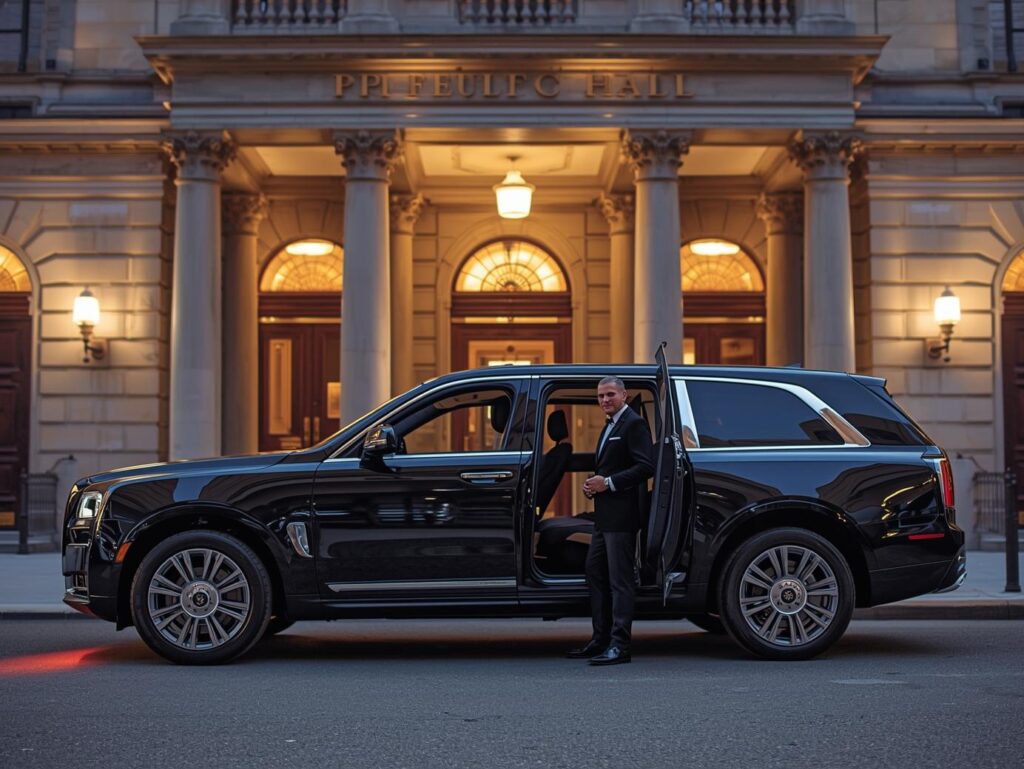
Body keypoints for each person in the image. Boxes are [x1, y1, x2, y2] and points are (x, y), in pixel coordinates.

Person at [567, 375, 655, 666]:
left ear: (624, 395)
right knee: (595, 573)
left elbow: (645, 466)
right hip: (604, 518)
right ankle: (600, 639)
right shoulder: (609, 426)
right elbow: (606, 467)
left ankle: (621, 646)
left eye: (610, 395)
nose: (605, 400)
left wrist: (609, 483)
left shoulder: (634, 424)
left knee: (620, 582)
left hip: (622, 517)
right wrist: (594, 485)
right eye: (601, 396)